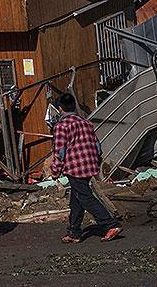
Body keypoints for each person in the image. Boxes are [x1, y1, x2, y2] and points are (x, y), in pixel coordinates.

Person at [49, 93, 121, 243]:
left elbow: (60, 152)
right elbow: (97, 145)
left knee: (85, 198)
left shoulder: (61, 126)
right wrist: (97, 160)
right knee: (76, 199)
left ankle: (110, 224)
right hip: (90, 164)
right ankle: (74, 232)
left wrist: (55, 170)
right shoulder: (86, 122)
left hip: (75, 167)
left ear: (60, 109)